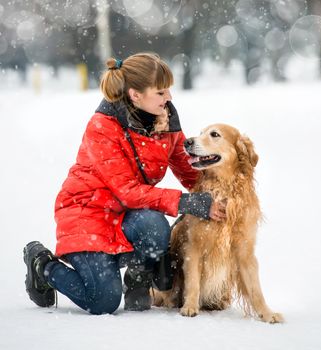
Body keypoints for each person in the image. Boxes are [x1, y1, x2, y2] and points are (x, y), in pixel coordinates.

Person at [23, 53, 226, 315]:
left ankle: (138, 277)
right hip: (88, 214)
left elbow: (190, 174)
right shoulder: (103, 126)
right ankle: (43, 266)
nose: (169, 98)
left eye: (169, 91)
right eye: (161, 92)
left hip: (126, 215)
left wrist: (221, 192)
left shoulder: (165, 121)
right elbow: (128, 192)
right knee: (103, 301)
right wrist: (189, 202)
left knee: (154, 225)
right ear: (135, 95)